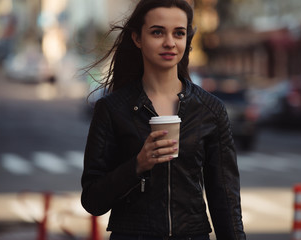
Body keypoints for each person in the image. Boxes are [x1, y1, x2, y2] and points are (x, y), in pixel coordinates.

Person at [81, 0, 246, 239]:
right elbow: (92, 200)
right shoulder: (111, 109)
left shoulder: (210, 110)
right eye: (157, 32)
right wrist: (137, 165)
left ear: (187, 40)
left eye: (179, 33)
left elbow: (226, 201)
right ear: (137, 38)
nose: (169, 42)